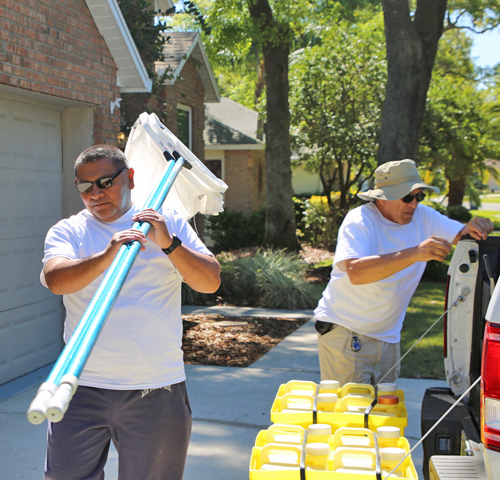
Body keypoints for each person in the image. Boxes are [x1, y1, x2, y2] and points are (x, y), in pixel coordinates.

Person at [41, 145, 221, 480]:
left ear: (131, 178)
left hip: (155, 387)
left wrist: (169, 243)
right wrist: (108, 255)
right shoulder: (69, 231)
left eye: (106, 182)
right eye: (85, 186)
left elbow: (209, 281)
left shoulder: (167, 222)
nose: (95, 193)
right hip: (80, 386)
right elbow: (56, 280)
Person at [314, 159, 493, 386]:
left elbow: (464, 236)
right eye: (407, 197)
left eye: (419, 196)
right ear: (382, 197)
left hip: (388, 337)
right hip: (346, 332)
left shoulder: (424, 217)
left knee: (385, 413)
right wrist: (415, 253)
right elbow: (356, 272)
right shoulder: (359, 221)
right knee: (351, 415)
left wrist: (476, 227)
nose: (414, 204)